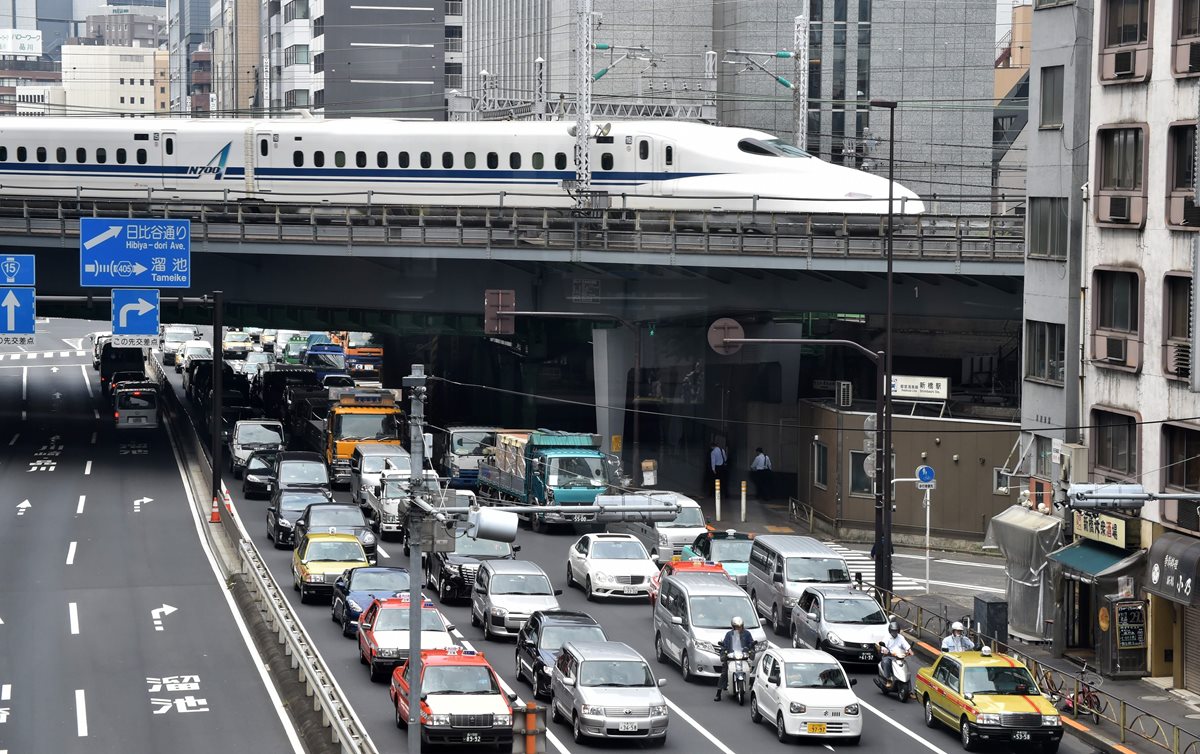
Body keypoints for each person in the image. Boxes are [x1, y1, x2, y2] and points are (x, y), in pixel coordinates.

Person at [714, 615, 754, 701]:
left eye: (740, 627)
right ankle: (718, 693)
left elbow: (751, 644)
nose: (738, 628)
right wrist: (724, 653)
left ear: (742, 626)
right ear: (733, 627)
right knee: (724, 673)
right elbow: (724, 646)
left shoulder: (747, 634)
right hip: (731, 658)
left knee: (752, 672)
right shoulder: (729, 635)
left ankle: (752, 689)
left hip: (743, 657)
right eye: (736, 627)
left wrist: (751, 649)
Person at [879, 621, 911, 689]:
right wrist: (885, 651)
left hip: (898, 657)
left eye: (896, 631)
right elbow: (883, 647)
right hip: (889, 656)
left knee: (906, 670)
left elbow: (906, 645)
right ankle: (888, 679)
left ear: (898, 630)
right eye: (893, 631)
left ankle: (909, 690)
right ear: (890, 631)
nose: (894, 632)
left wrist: (909, 651)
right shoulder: (887, 637)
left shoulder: (901, 637)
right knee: (886, 662)